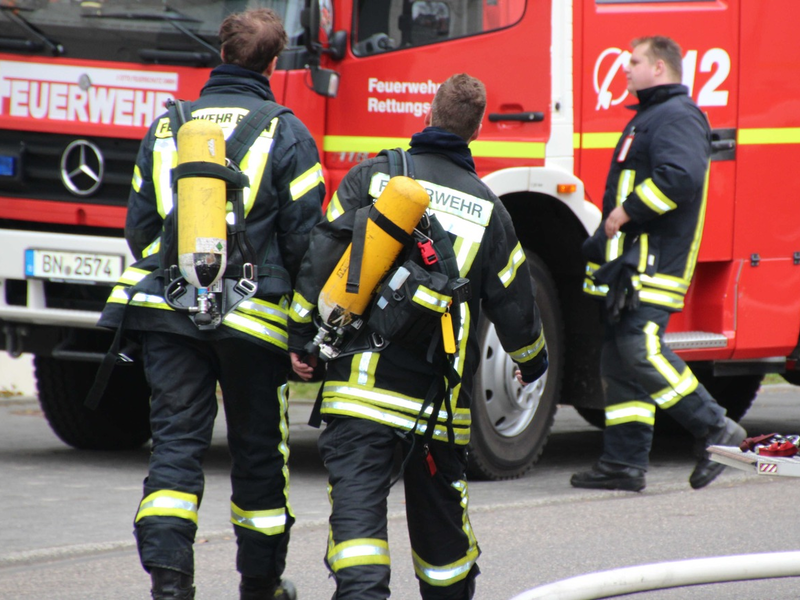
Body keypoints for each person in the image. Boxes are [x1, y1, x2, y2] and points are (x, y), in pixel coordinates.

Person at [288, 73, 548, 600]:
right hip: (436, 408)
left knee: (358, 527)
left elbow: (321, 256)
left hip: (359, 394)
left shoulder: (373, 176)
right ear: (476, 131)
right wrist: (532, 363)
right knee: (443, 544)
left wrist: (300, 337)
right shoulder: (490, 210)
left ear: (428, 114)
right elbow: (516, 305)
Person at [95, 9, 324, 599]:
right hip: (254, 325)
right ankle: (261, 586)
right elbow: (306, 244)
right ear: (273, 64)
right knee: (258, 454)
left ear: (221, 54)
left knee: (175, 448)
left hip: (168, 316)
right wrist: (304, 331)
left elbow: (140, 229)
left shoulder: (167, 126)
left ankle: (171, 587)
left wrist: (182, 281)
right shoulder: (287, 132)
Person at [571, 36, 745, 493]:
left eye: (634, 61)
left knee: (639, 348)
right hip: (630, 267)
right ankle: (623, 463)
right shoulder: (651, 116)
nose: (625, 68)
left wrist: (625, 212)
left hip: (654, 263)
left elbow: (681, 178)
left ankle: (716, 428)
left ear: (660, 68)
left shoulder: (677, 115)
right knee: (618, 359)